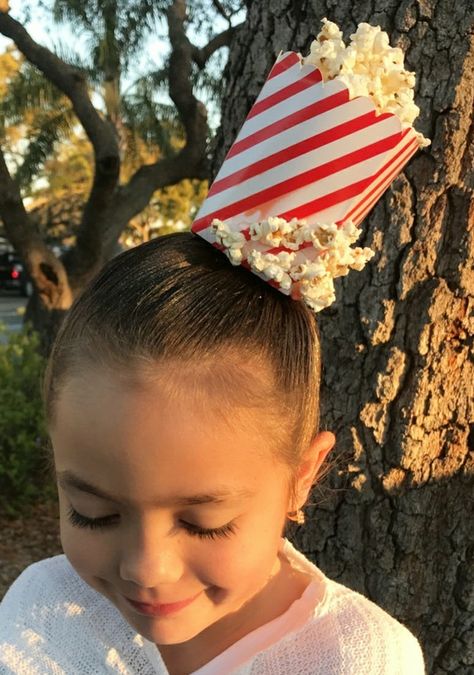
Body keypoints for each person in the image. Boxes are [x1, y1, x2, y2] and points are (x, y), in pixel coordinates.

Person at [0, 20, 427, 675]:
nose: (146, 568)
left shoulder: (359, 658)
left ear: (300, 479)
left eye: (204, 523)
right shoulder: (41, 610)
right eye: (91, 512)